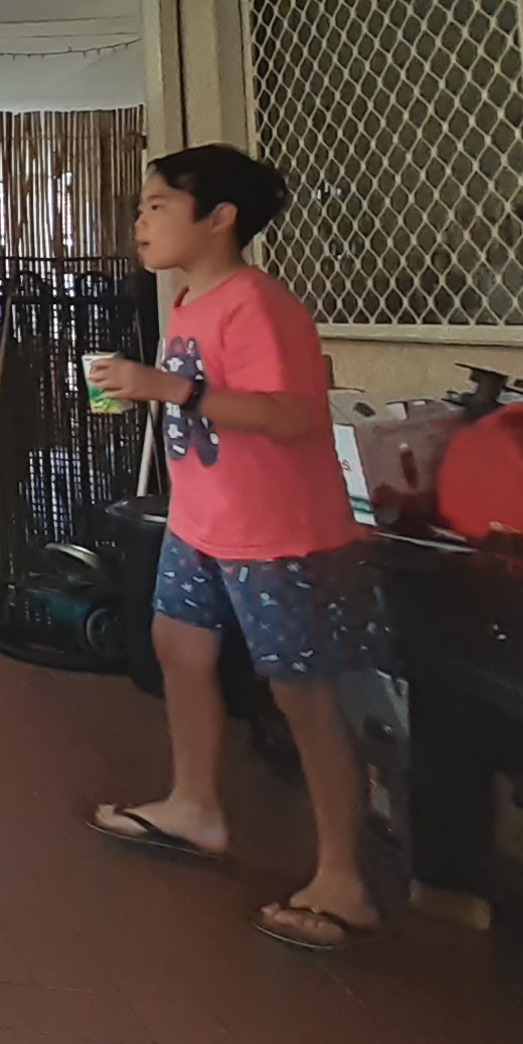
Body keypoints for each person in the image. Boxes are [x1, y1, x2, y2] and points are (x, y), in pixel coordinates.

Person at [87, 144, 385, 951]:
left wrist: (171, 388)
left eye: (158, 206)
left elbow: (293, 414)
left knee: (304, 699)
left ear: (219, 218)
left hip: (279, 534)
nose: (141, 221)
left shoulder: (258, 304)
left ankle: (345, 880)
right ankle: (195, 806)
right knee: (178, 647)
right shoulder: (190, 301)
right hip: (202, 523)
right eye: (142, 207)